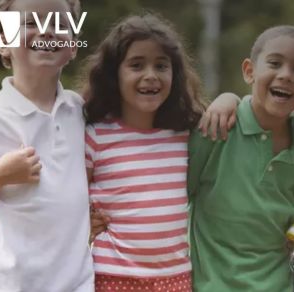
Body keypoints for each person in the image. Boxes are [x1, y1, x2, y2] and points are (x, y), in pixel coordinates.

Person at [187, 25, 294, 291]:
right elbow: (175, 197)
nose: (286, 75)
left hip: (278, 283)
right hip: (209, 283)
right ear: (249, 71)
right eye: (275, 63)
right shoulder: (215, 127)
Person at [0, 0, 94, 290]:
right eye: (31, 23)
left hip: (75, 283)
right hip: (5, 284)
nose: (48, 31)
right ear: (3, 41)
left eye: (60, 25)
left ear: (74, 46)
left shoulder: (82, 112)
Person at [81, 14, 204, 291]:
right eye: (136, 65)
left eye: (161, 66)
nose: (151, 75)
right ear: (115, 74)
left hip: (174, 278)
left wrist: (229, 100)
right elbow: (67, 195)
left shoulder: (185, 135)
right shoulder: (96, 135)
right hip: (110, 276)